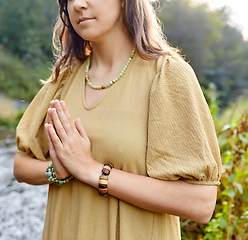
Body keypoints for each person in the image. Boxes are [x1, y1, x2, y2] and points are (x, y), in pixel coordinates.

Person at [13, 0, 222, 239]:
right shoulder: (64, 78)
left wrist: (91, 170)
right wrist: (55, 171)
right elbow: (21, 165)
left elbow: (201, 204)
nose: (78, 4)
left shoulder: (167, 75)